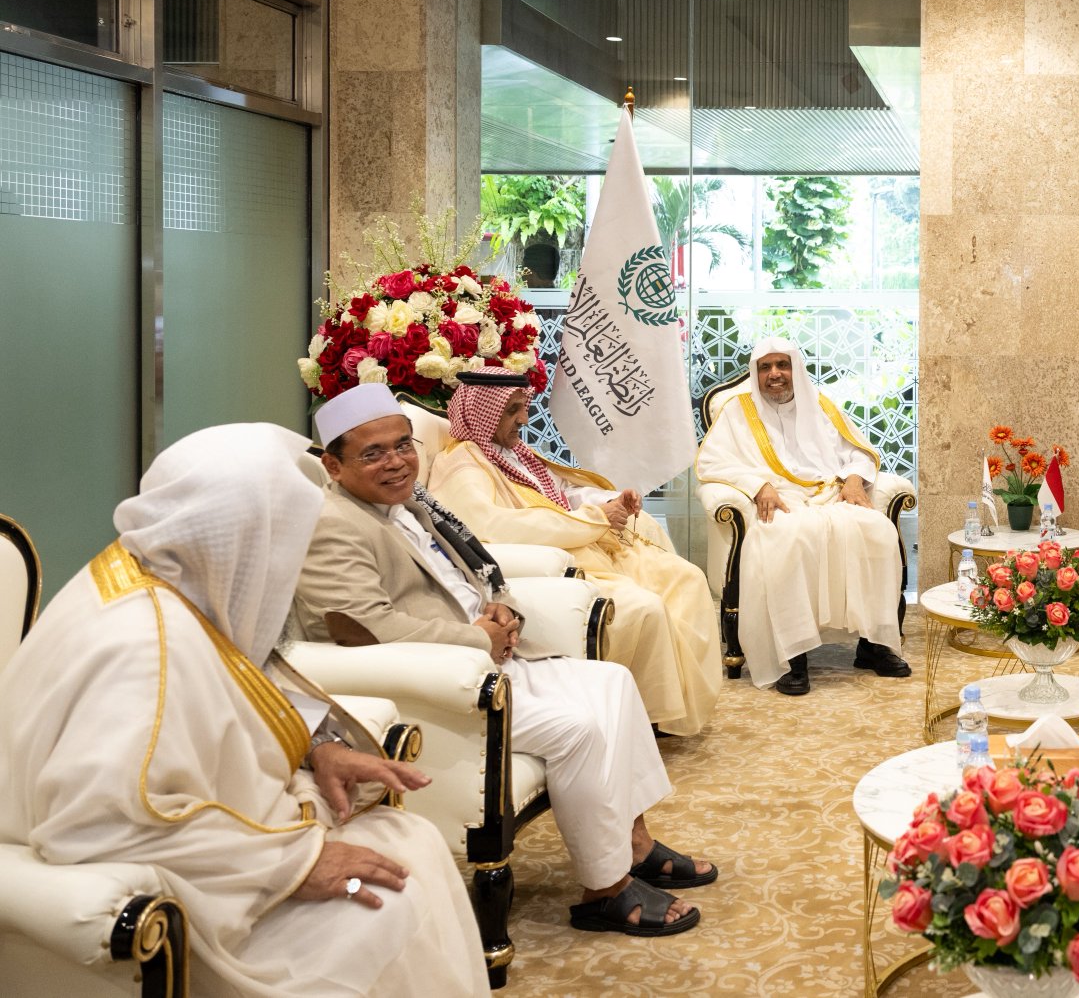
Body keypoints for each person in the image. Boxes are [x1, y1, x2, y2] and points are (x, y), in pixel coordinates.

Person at [0, 423, 490, 998]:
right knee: (392, 897)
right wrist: (295, 866)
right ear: (242, 536)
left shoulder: (159, 572)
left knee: (409, 840)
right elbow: (96, 825)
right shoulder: (140, 648)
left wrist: (318, 746)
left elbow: (237, 674)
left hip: (213, 845)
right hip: (175, 893)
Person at [294, 384, 714, 937]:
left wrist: (504, 610)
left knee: (613, 681)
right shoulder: (333, 524)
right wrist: (477, 639)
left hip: (491, 655)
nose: (395, 462)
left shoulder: (409, 499)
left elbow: (481, 565)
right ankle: (605, 890)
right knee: (577, 728)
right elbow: (367, 628)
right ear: (333, 464)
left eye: (402, 445)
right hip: (443, 678)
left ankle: (634, 845)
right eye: (373, 453)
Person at [427, 369, 721, 736]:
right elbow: (495, 527)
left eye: (524, 407)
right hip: (559, 562)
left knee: (688, 578)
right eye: (512, 410)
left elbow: (560, 494)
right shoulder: (462, 464)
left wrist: (610, 501)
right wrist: (595, 519)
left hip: (587, 543)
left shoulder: (512, 453)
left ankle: (679, 705)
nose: (524, 418)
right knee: (645, 606)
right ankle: (647, 712)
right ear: (481, 410)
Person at [693, 338, 911, 696]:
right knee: (786, 538)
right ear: (755, 373)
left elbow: (858, 452)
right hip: (778, 501)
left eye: (782, 365)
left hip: (828, 494)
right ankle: (792, 655)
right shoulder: (737, 411)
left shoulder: (820, 406)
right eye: (765, 367)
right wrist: (758, 486)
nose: (774, 374)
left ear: (795, 369)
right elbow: (713, 463)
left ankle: (873, 645)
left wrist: (854, 480)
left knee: (877, 530)